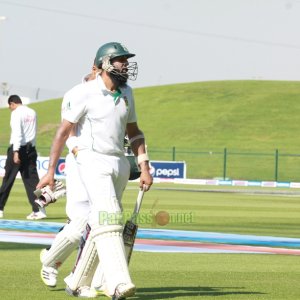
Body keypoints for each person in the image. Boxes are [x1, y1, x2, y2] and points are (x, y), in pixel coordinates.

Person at [37, 41, 153, 299]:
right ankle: (117, 283)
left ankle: (77, 280)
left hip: (118, 163)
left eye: (126, 60)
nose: (126, 64)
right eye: (120, 59)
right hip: (88, 161)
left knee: (97, 222)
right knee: (106, 218)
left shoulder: (128, 93)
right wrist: (50, 171)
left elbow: (134, 132)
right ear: (104, 64)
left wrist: (144, 165)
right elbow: (63, 133)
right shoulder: (82, 93)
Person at [0, 95, 46, 220]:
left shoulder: (16, 113)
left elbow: (17, 133)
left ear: (12, 104)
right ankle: (39, 210)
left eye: (9, 107)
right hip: (31, 149)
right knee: (33, 182)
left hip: (18, 149)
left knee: (8, 180)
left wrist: (15, 152)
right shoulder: (32, 112)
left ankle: (0, 208)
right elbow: (33, 131)